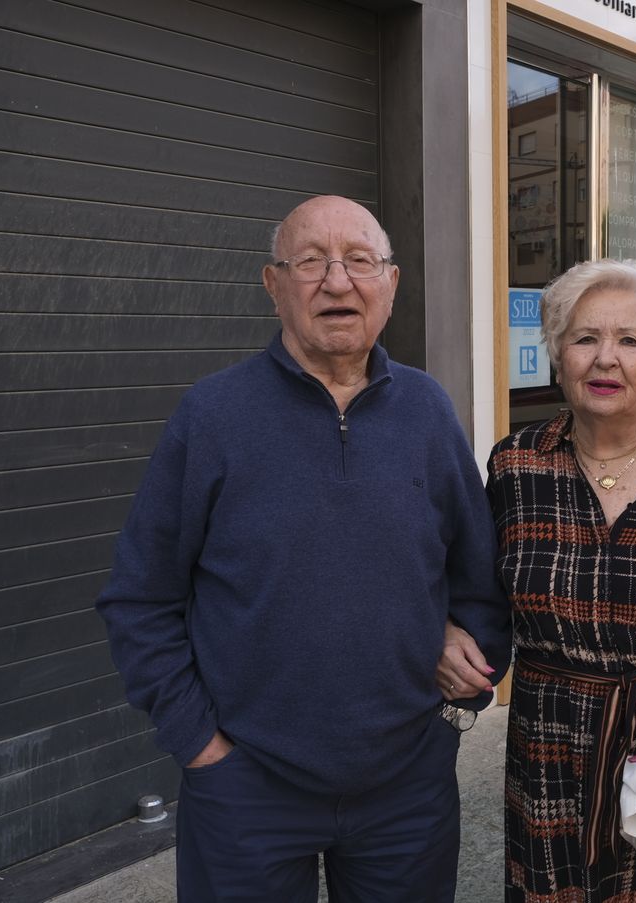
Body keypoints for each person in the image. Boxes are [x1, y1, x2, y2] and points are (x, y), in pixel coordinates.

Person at [96, 195, 511, 902]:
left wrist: (460, 688)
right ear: (272, 283)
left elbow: (479, 578)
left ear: (392, 282)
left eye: (360, 261)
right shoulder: (213, 416)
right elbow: (140, 599)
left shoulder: (427, 410)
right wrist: (202, 747)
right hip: (248, 789)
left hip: (406, 789)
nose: (337, 281)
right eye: (311, 261)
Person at [438, 259, 636, 901]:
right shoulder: (517, 465)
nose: (606, 358)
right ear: (557, 356)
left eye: (630, 340)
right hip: (549, 759)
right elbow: (472, 587)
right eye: (584, 339)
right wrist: (444, 630)